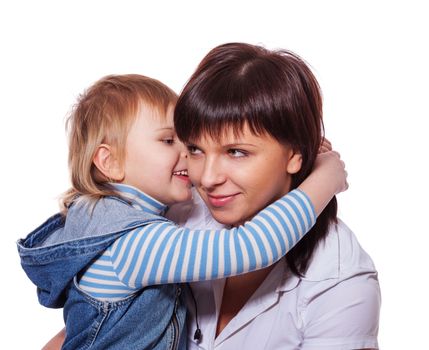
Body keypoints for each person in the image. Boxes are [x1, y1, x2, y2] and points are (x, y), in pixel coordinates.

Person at [17, 74, 347, 349]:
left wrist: (290, 151)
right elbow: (253, 246)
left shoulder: (97, 218)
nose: (191, 157)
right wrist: (323, 179)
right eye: (168, 141)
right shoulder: (137, 242)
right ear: (109, 162)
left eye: (188, 144)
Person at [172, 43, 381, 349]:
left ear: (295, 154)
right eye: (195, 149)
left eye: (236, 152)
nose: (207, 178)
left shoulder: (339, 277)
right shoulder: (173, 215)